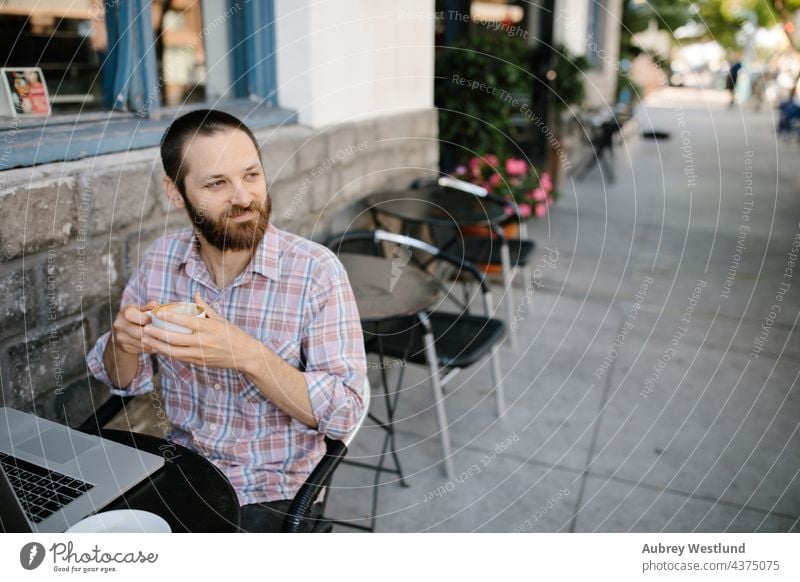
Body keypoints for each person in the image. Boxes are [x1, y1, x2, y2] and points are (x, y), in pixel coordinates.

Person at [86, 109, 367, 532]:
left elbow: (345, 413)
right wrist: (122, 344)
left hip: (272, 488)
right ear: (176, 192)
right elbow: (124, 381)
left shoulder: (316, 273)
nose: (243, 197)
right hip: (180, 468)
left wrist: (247, 355)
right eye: (217, 183)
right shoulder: (162, 261)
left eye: (251, 175)